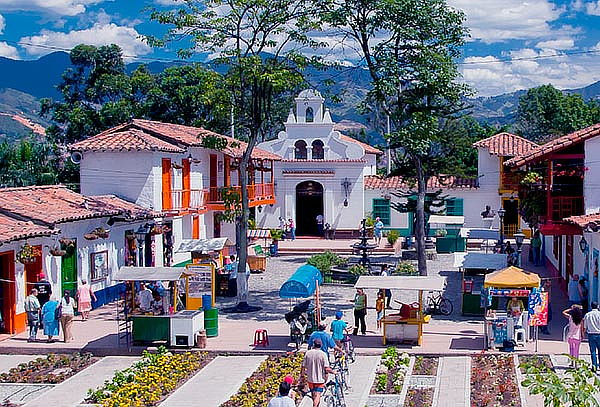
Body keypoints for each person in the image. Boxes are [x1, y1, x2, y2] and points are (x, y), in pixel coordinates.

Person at [300, 338, 336, 407]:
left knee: (313, 395)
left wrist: (302, 375)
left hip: (310, 378)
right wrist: (333, 372)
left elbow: (303, 366)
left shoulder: (308, 353)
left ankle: (316, 405)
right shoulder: (323, 354)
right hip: (320, 379)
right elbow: (326, 368)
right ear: (321, 345)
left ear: (313, 345)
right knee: (318, 395)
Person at [584, 301, 600, 371]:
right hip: (599, 334)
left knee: (593, 351)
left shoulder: (587, 315)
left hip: (591, 334)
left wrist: (583, 334)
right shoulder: (599, 314)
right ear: (598, 306)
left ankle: (594, 366)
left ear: (591, 306)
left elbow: (585, 326)